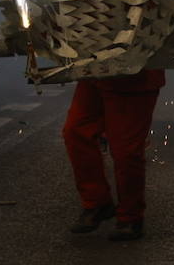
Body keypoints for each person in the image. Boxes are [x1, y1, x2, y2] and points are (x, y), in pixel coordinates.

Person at [61, 68, 166, 241]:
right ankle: (97, 203)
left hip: (134, 76)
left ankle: (130, 217)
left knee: (125, 151)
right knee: (75, 131)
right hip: (95, 71)